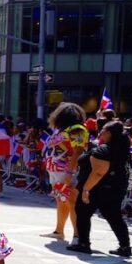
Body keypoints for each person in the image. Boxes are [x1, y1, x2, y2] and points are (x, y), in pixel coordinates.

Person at [68, 120, 132, 257]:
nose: (100, 131)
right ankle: (125, 246)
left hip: (98, 188)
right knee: (114, 216)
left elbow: (98, 172)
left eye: (103, 129)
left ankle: (83, 243)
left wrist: (86, 189)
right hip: (114, 188)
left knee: (83, 212)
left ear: (109, 133)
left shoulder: (104, 150)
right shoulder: (119, 148)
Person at [43, 102, 89, 242]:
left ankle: (77, 235)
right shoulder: (62, 130)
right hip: (56, 171)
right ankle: (59, 231)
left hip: (68, 171)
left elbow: (78, 150)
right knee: (61, 200)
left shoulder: (77, 129)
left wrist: (70, 172)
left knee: (72, 202)